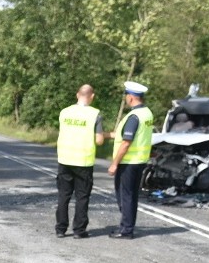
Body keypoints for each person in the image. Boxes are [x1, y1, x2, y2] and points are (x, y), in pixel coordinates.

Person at [56, 84, 105, 239]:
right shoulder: (95, 114)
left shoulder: (64, 112)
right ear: (92, 96)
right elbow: (99, 140)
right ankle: (79, 230)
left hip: (64, 159)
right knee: (82, 197)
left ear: (78, 95)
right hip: (83, 161)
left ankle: (60, 229)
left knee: (64, 195)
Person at [107, 81, 154, 239]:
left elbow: (126, 142)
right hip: (140, 161)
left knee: (124, 196)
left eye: (127, 95)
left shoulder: (134, 116)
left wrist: (114, 164)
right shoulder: (147, 113)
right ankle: (128, 226)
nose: (126, 98)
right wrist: (107, 135)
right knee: (131, 195)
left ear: (132, 97)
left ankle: (126, 229)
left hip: (128, 162)